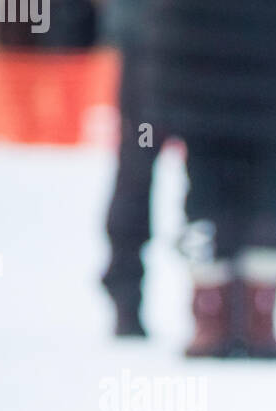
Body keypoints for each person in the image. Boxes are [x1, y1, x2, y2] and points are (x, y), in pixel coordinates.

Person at [142, 0, 276, 358]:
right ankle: (260, 321)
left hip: (193, 51)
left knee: (203, 192)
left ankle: (210, 318)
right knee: (267, 190)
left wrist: (161, 46)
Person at [101, 0, 161, 337]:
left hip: (148, 37)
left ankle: (124, 289)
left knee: (135, 172)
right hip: (160, 41)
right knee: (136, 173)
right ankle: (222, 313)